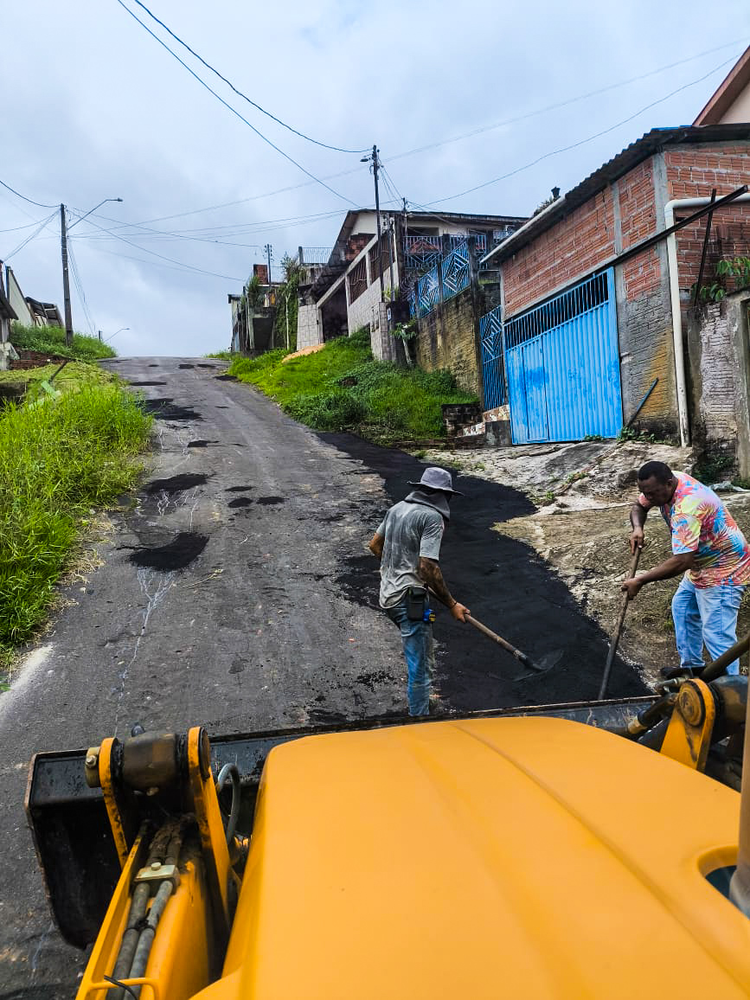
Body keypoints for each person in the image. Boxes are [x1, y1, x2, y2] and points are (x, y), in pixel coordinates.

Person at [624, 460, 750, 675]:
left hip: (725, 568)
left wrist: (640, 580)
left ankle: (731, 686)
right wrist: (637, 528)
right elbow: (639, 506)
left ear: (669, 483)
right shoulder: (666, 481)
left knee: (717, 633)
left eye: (652, 494)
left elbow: (682, 561)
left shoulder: (688, 507)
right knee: (683, 608)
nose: (649, 498)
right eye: (645, 492)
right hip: (702, 562)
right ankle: (691, 669)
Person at [368, 467, 470, 715]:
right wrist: (452, 604)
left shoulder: (396, 509)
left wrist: (395, 568)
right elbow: (427, 567)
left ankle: (423, 702)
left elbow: (374, 545)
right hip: (409, 601)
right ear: (442, 494)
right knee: (420, 667)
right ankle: (419, 721)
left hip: (389, 596)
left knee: (422, 654)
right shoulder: (431, 517)